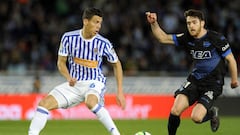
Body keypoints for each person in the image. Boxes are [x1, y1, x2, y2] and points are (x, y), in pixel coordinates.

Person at [28, 7, 126, 135]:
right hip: (74, 84)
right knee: (43, 104)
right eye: (96, 22)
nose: (99, 26)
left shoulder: (104, 43)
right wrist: (68, 77)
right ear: (86, 21)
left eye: (100, 23)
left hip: (94, 82)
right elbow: (61, 63)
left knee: (91, 102)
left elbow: (117, 64)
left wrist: (120, 92)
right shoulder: (68, 38)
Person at [146, 9, 239, 135]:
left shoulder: (216, 38)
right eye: (188, 23)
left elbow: (231, 59)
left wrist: (234, 80)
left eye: (194, 22)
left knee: (196, 118)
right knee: (175, 110)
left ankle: (211, 113)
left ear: (202, 23)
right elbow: (163, 38)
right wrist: (154, 23)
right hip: (195, 80)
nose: (191, 26)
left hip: (213, 84)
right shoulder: (187, 38)